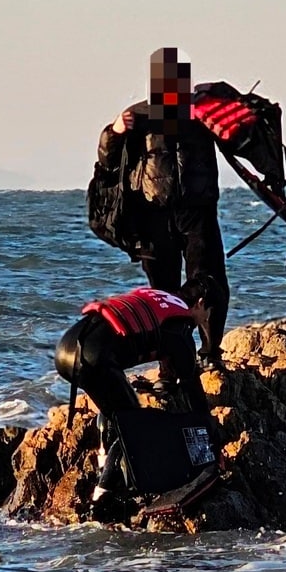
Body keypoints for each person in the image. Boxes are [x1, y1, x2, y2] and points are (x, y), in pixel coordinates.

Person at [97, 47, 228, 370]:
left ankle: (210, 353)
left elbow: (239, 135)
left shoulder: (202, 111)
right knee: (162, 292)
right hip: (152, 214)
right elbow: (107, 160)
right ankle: (171, 367)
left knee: (210, 282)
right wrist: (114, 131)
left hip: (198, 211)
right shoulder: (137, 115)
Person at [54, 279, 220, 511]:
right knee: (132, 423)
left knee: (113, 405)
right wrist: (213, 438)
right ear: (200, 303)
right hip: (93, 358)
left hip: (66, 350)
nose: (206, 320)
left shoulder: (159, 296)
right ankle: (101, 497)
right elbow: (193, 392)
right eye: (208, 313)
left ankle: (104, 459)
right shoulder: (180, 328)